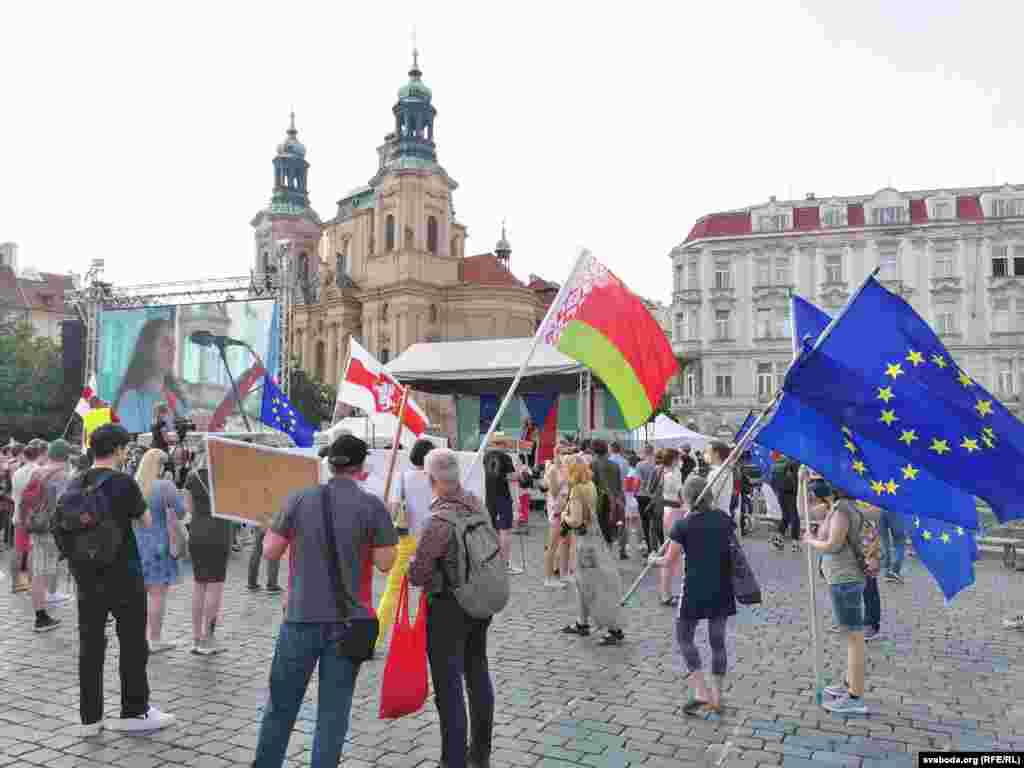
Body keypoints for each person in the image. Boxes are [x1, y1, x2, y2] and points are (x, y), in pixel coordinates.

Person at [253, 434, 397, 768]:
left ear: (329, 464)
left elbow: (270, 551)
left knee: (281, 706)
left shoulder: (298, 499)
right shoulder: (372, 505)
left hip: (301, 617)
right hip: (349, 623)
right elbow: (386, 562)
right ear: (362, 467)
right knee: (333, 713)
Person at [66, 423, 175, 735]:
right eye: (125, 448)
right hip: (123, 573)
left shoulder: (76, 482)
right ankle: (134, 710)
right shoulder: (123, 482)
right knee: (131, 644)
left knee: (90, 646)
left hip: (86, 575)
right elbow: (145, 520)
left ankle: (90, 718)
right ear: (117, 450)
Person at [409, 449, 497, 768]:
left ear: (431, 479)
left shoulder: (437, 521)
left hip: (448, 607)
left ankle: (454, 760)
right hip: (481, 601)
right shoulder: (477, 504)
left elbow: (419, 574)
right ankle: (480, 753)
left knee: (448, 687)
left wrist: (410, 564)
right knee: (478, 673)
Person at [649, 474, 735, 715]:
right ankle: (717, 696)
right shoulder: (725, 520)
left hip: (695, 589)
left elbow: (668, 561)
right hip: (722, 587)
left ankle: (701, 691)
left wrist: (653, 560)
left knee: (684, 637)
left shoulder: (683, 525)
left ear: (686, 497)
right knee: (718, 642)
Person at [802, 477, 876, 715]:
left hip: (845, 580)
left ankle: (855, 696)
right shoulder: (842, 507)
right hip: (843, 578)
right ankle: (849, 684)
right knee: (850, 636)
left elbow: (833, 545)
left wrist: (811, 541)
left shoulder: (843, 509)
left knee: (854, 637)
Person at [376, 438, 436, 647]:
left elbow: (392, 510)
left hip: (407, 537)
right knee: (434, 590)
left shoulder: (402, 477)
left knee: (392, 590)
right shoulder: (437, 479)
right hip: (433, 539)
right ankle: (432, 639)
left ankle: (374, 640)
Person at [559, 455, 625, 646]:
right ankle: (582, 623)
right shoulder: (590, 485)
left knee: (593, 584)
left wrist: (564, 515)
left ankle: (614, 628)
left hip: (584, 543)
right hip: (594, 539)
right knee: (585, 583)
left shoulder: (576, 491)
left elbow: (577, 520)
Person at [133, 448, 185, 652]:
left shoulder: (134, 484)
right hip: (159, 543)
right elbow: (181, 513)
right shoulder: (165, 486)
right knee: (157, 595)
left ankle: (138, 637)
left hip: (136, 543)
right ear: (162, 466)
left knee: (139, 596)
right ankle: (154, 638)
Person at [184, 450, 232, 654]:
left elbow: (189, 509)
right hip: (218, 533)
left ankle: (196, 636)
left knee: (199, 585)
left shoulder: (192, 477)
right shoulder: (225, 477)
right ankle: (208, 638)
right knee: (215, 587)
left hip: (197, 531)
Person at [113, 318, 193, 435]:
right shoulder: (131, 399)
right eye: (166, 343)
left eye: (174, 345)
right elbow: (132, 446)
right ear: (148, 349)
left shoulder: (177, 401)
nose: (172, 350)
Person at [27, 439, 73, 632]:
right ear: (66, 456)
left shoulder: (37, 471)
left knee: (38, 572)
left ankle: (40, 616)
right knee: (56, 569)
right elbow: (66, 507)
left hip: (36, 526)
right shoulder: (64, 476)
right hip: (53, 530)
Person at [11, 441, 45, 594]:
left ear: (25, 455)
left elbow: (14, 495)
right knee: (33, 552)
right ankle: (32, 587)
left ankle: (17, 584)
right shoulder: (39, 471)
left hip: (18, 515)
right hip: (34, 518)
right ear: (38, 455)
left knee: (18, 551)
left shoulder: (17, 472)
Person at [483, 448, 523, 575]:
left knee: (493, 531)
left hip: (489, 498)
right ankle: (504, 564)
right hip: (502, 498)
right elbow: (511, 476)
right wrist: (520, 473)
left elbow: (495, 475)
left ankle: (493, 562)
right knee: (505, 531)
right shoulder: (505, 457)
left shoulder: (486, 456)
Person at [590, 440, 626, 559]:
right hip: (614, 499)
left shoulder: (593, 464)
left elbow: (593, 484)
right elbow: (619, 485)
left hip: (599, 499)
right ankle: (612, 549)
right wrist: (620, 499)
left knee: (601, 525)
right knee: (613, 525)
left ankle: (604, 550)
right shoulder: (614, 465)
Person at [542, 444, 572, 588]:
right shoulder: (553, 469)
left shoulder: (565, 469)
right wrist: (565, 482)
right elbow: (553, 492)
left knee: (565, 541)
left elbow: (569, 487)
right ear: (557, 454)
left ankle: (563, 573)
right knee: (552, 543)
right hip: (556, 509)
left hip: (566, 507)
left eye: (567, 453)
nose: (566, 456)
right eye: (563, 453)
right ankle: (548, 577)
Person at [658, 448, 684, 606]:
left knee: (673, 554)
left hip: (668, 511)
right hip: (674, 512)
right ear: (674, 459)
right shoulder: (674, 474)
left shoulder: (662, 471)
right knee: (672, 555)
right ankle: (666, 594)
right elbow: (681, 495)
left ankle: (665, 592)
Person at [770, 455, 801, 552]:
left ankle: (778, 539)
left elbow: (772, 480)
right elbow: (797, 478)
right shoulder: (794, 463)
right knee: (795, 517)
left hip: (780, 492)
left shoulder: (777, 463)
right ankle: (795, 544)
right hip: (791, 493)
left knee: (786, 516)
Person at [704, 441, 735, 523]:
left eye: (707, 452)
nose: (705, 455)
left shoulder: (715, 473)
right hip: (724, 514)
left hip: (715, 517)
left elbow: (709, 497)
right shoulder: (727, 470)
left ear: (716, 454)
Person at [634, 445, 657, 555]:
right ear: (652, 452)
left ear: (644, 452)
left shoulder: (639, 465)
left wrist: (635, 491)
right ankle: (656, 546)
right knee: (655, 522)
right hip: (654, 496)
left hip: (642, 495)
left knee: (645, 522)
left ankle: (649, 547)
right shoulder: (657, 465)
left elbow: (638, 480)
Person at [878, 507, 906, 583]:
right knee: (899, 541)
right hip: (894, 507)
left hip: (878, 508)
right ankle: (894, 571)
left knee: (884, 541)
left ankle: (887, 571)